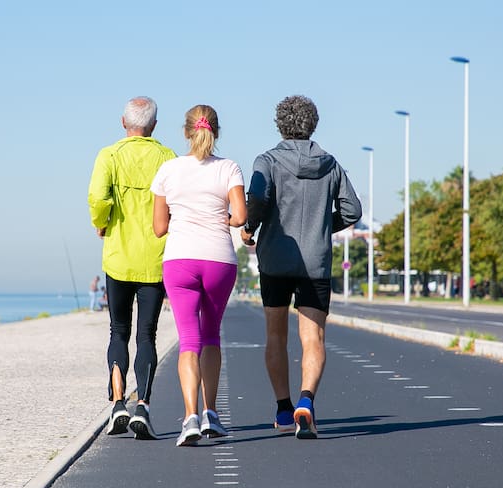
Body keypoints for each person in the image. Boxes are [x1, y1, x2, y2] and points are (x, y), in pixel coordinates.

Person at [241, 95, 361, 439]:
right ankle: (306, 402)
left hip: (275, 260)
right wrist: (324, 227)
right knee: (314, 338)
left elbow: (258, 198)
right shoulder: (331, 164)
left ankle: (282, 409)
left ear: (280, 123)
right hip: (316, 262)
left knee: (276, 335)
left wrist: (250, 228)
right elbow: (352, 210)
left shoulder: (267, 161)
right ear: (313, 124)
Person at [151, 104, 247, 446]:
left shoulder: (168, 170)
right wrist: (226, 220)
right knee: (211, 336)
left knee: (188, 340)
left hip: (180, 261)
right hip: (219, 261)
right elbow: (240, 215)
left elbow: (159, 228)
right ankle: (211, 414)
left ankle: (189, 417)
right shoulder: (229, 168)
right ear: (215, 132)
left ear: (185, 132)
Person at [87, 96, 177, 439]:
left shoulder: (108, 155)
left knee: (118, 332)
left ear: (123, 122)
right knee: (147, 335)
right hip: (155, 260)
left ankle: (117, 404)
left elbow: (97, 198)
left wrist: (103, 221)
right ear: (154, 125)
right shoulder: (167, 157)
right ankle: (144, 407)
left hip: (118, 258)